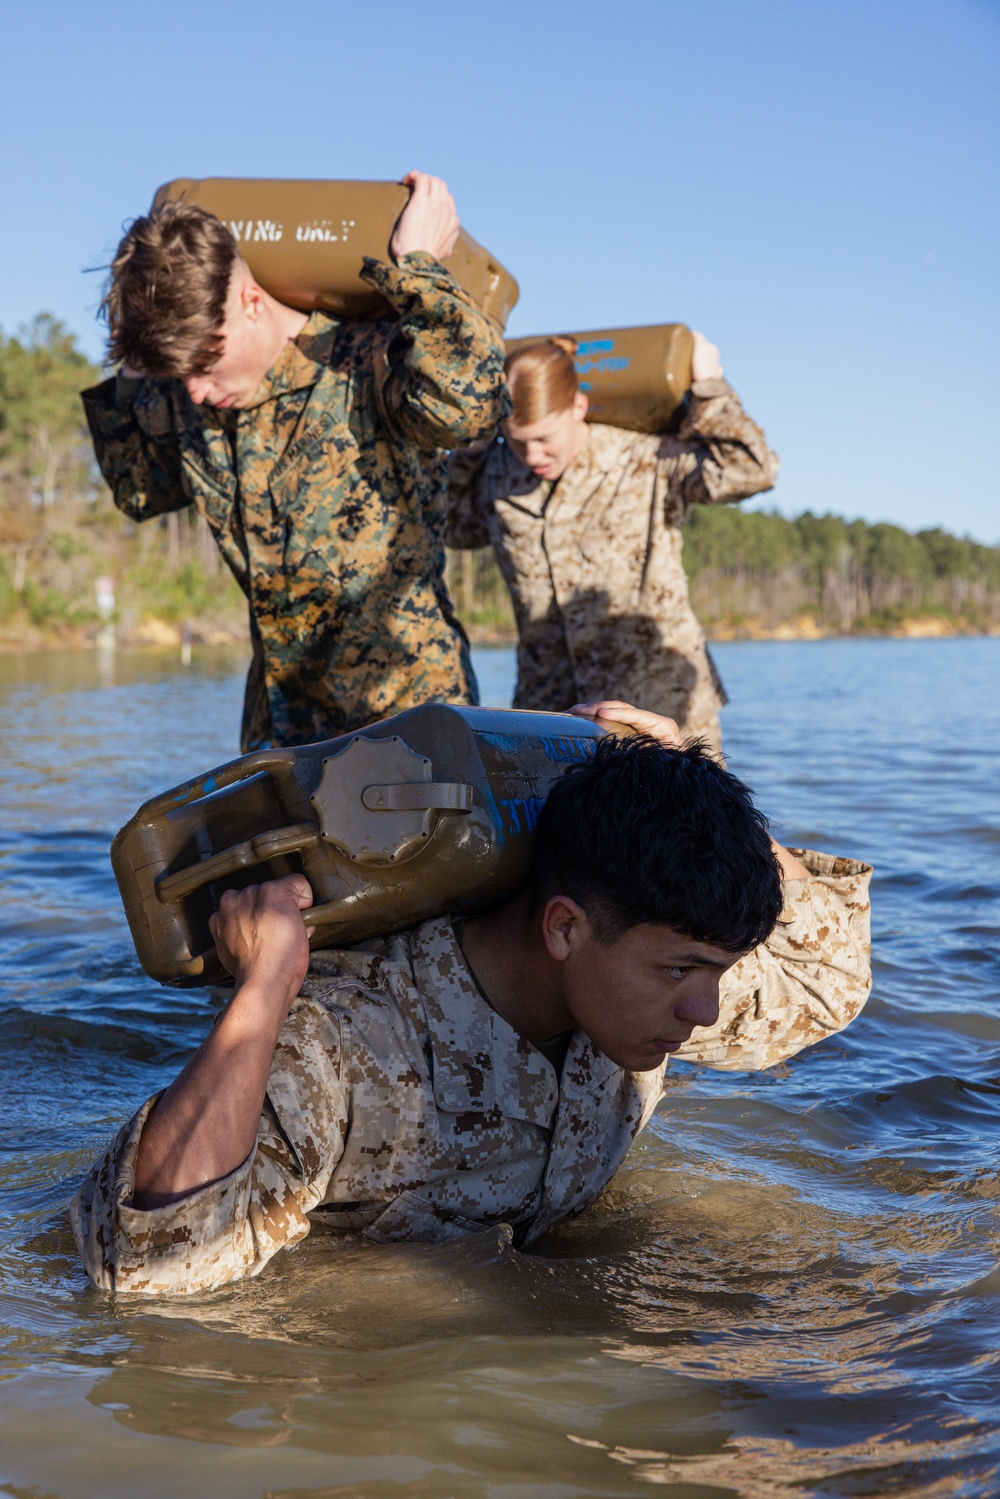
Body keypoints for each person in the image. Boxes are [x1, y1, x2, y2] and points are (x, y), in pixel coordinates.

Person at [72, 701, 872, 1296]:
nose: (707, 1008)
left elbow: (825, 979)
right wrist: (266, 985)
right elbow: (139, 1271)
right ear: (564, 928)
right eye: (682, 971)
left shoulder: (634, 990)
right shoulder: (345, 1039)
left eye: (719, 972)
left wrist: (684, 773)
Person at [82, 173, 508, 751]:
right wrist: (138, 353)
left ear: (251, 300)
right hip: (278, 739)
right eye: (180, 376)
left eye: (208, 365)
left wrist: (419, 268)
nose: (197, 391)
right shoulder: (189, 394)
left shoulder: (364, 358)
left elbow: (471, 407)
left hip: (407, 721)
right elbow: (137, 490)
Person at [446, 334, 780, 756]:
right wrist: (472, 441)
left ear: (578, 409)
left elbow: (753, 470)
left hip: (659, 707)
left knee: (687, 823)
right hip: (550, 712)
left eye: (544, 438)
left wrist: (710, 385)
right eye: (515, 440)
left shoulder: (641, 459)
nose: (531, 455)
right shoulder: (499, 473)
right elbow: (451, 526)